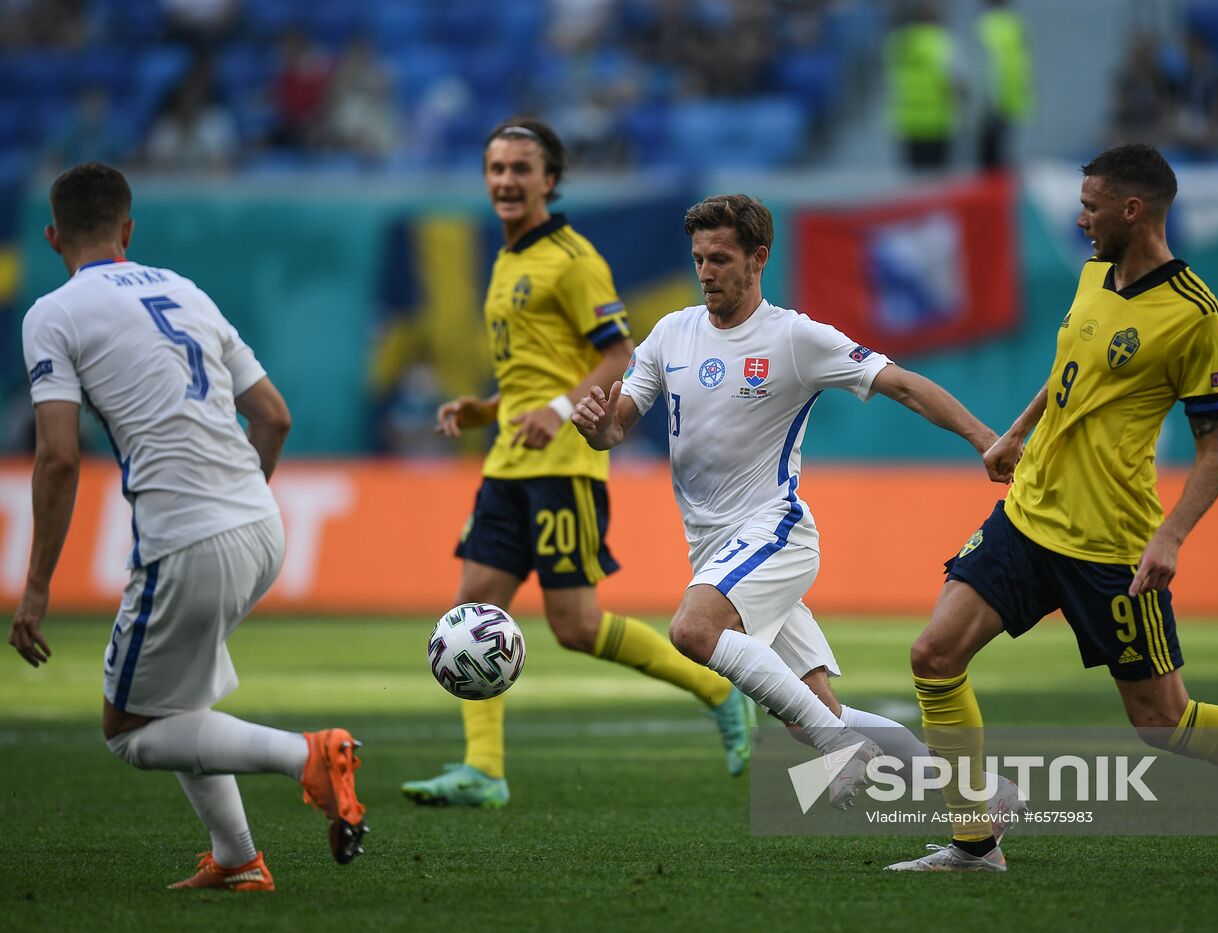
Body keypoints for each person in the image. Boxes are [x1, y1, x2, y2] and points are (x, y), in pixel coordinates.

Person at [888, 144, 1218, 874]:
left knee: (1163, 719)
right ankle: (974, 842)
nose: (1079, 218)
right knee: (934, 654)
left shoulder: (1195, 316)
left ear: (1134, 210)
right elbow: (1069, 370)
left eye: (1090, 207)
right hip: (1028, 518)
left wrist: (1172, 537)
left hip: (1110, 545)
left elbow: (1215, 449)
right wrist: (1018, 433)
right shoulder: (1093, 275)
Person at [572, 193, 1024, 818]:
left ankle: (841, 748)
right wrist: (595, 427)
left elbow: (903, 385)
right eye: (699, 258)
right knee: (813, 707)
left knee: (694, 631)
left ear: (759, 259)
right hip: (712, 545)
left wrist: (984, 438)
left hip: (774, 532)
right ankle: (981, 798)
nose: (706, 271)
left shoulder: (794, 338)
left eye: (721, 258)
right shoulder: (671, 333)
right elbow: (617, 427)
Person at [9, 163, 366, 891]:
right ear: (129, 229)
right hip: (263, 525)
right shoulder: (185, 290)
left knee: (131, 729)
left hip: (185, 536)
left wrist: (35, 588)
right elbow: (275, 415)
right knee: (181, 704)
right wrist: (237, 508)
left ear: (52, 237)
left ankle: (307, 754)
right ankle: (238, 860)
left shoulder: (53, 312)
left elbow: (55, 458)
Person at [400, 118, 751, 808]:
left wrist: (557, 413)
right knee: (474, 608)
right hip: (507, 459)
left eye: (520, 169)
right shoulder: (505, 259)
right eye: (496, 168)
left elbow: (617, 353)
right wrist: (488, 408)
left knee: (576, 627)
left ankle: (714, 685)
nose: (506, 180)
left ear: (549, 180)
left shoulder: (571, 257)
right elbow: (540, 369)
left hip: (563, 462)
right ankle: (485, 768)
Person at [885, 0, 963, 172]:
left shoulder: (897, 43)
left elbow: (892, 78)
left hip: (907, 122)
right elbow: (957, 85)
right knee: (937, 181)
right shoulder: (943, 43)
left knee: (914, 183)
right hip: (938, 122)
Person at [975, 0, 1033, 170]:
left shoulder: (987, 24)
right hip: (1001, 102)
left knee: (996, 160)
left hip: (1000, 102)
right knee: (996, 159)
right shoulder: (1014, 23)